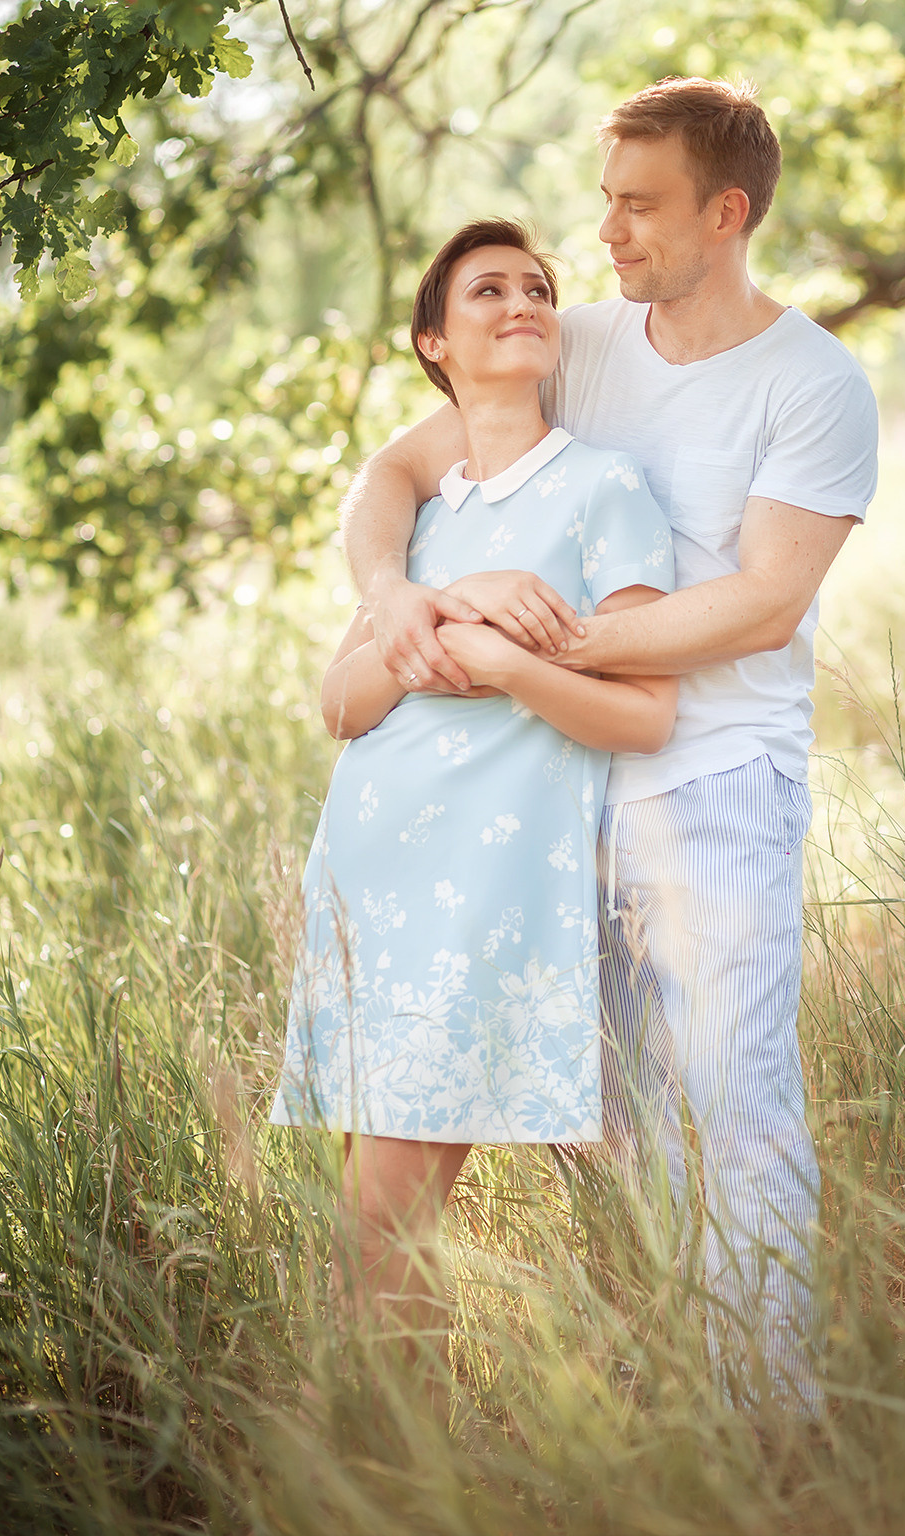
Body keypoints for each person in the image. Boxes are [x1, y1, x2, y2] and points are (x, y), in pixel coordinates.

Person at [339, 79, 879, 1415]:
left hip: (713, 782)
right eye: (607, 199)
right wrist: (401, 597)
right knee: (600, 1114)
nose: (611, 229)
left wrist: (535, 652)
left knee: (734, 1098)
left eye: (639, 205)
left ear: (726, 212)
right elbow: (395, 476)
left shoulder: (812, 382)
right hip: (553, 788)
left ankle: (769, 1416)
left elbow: (761, 606)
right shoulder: (574, 337)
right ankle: (661, 1371)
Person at [270, 218, 677, 1355]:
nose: (523, 302)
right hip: (367, 889)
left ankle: (373, 1475)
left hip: (482, 891)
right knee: (373, 1219)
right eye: (489, 290)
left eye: (539, 288)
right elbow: (342, 705)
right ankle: (394, 1468)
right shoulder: (429, 517)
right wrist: (440, 604)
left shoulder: (605, 489)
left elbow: (647, 712)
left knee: (380, 1223)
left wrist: (504, 661)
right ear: (433, 341)